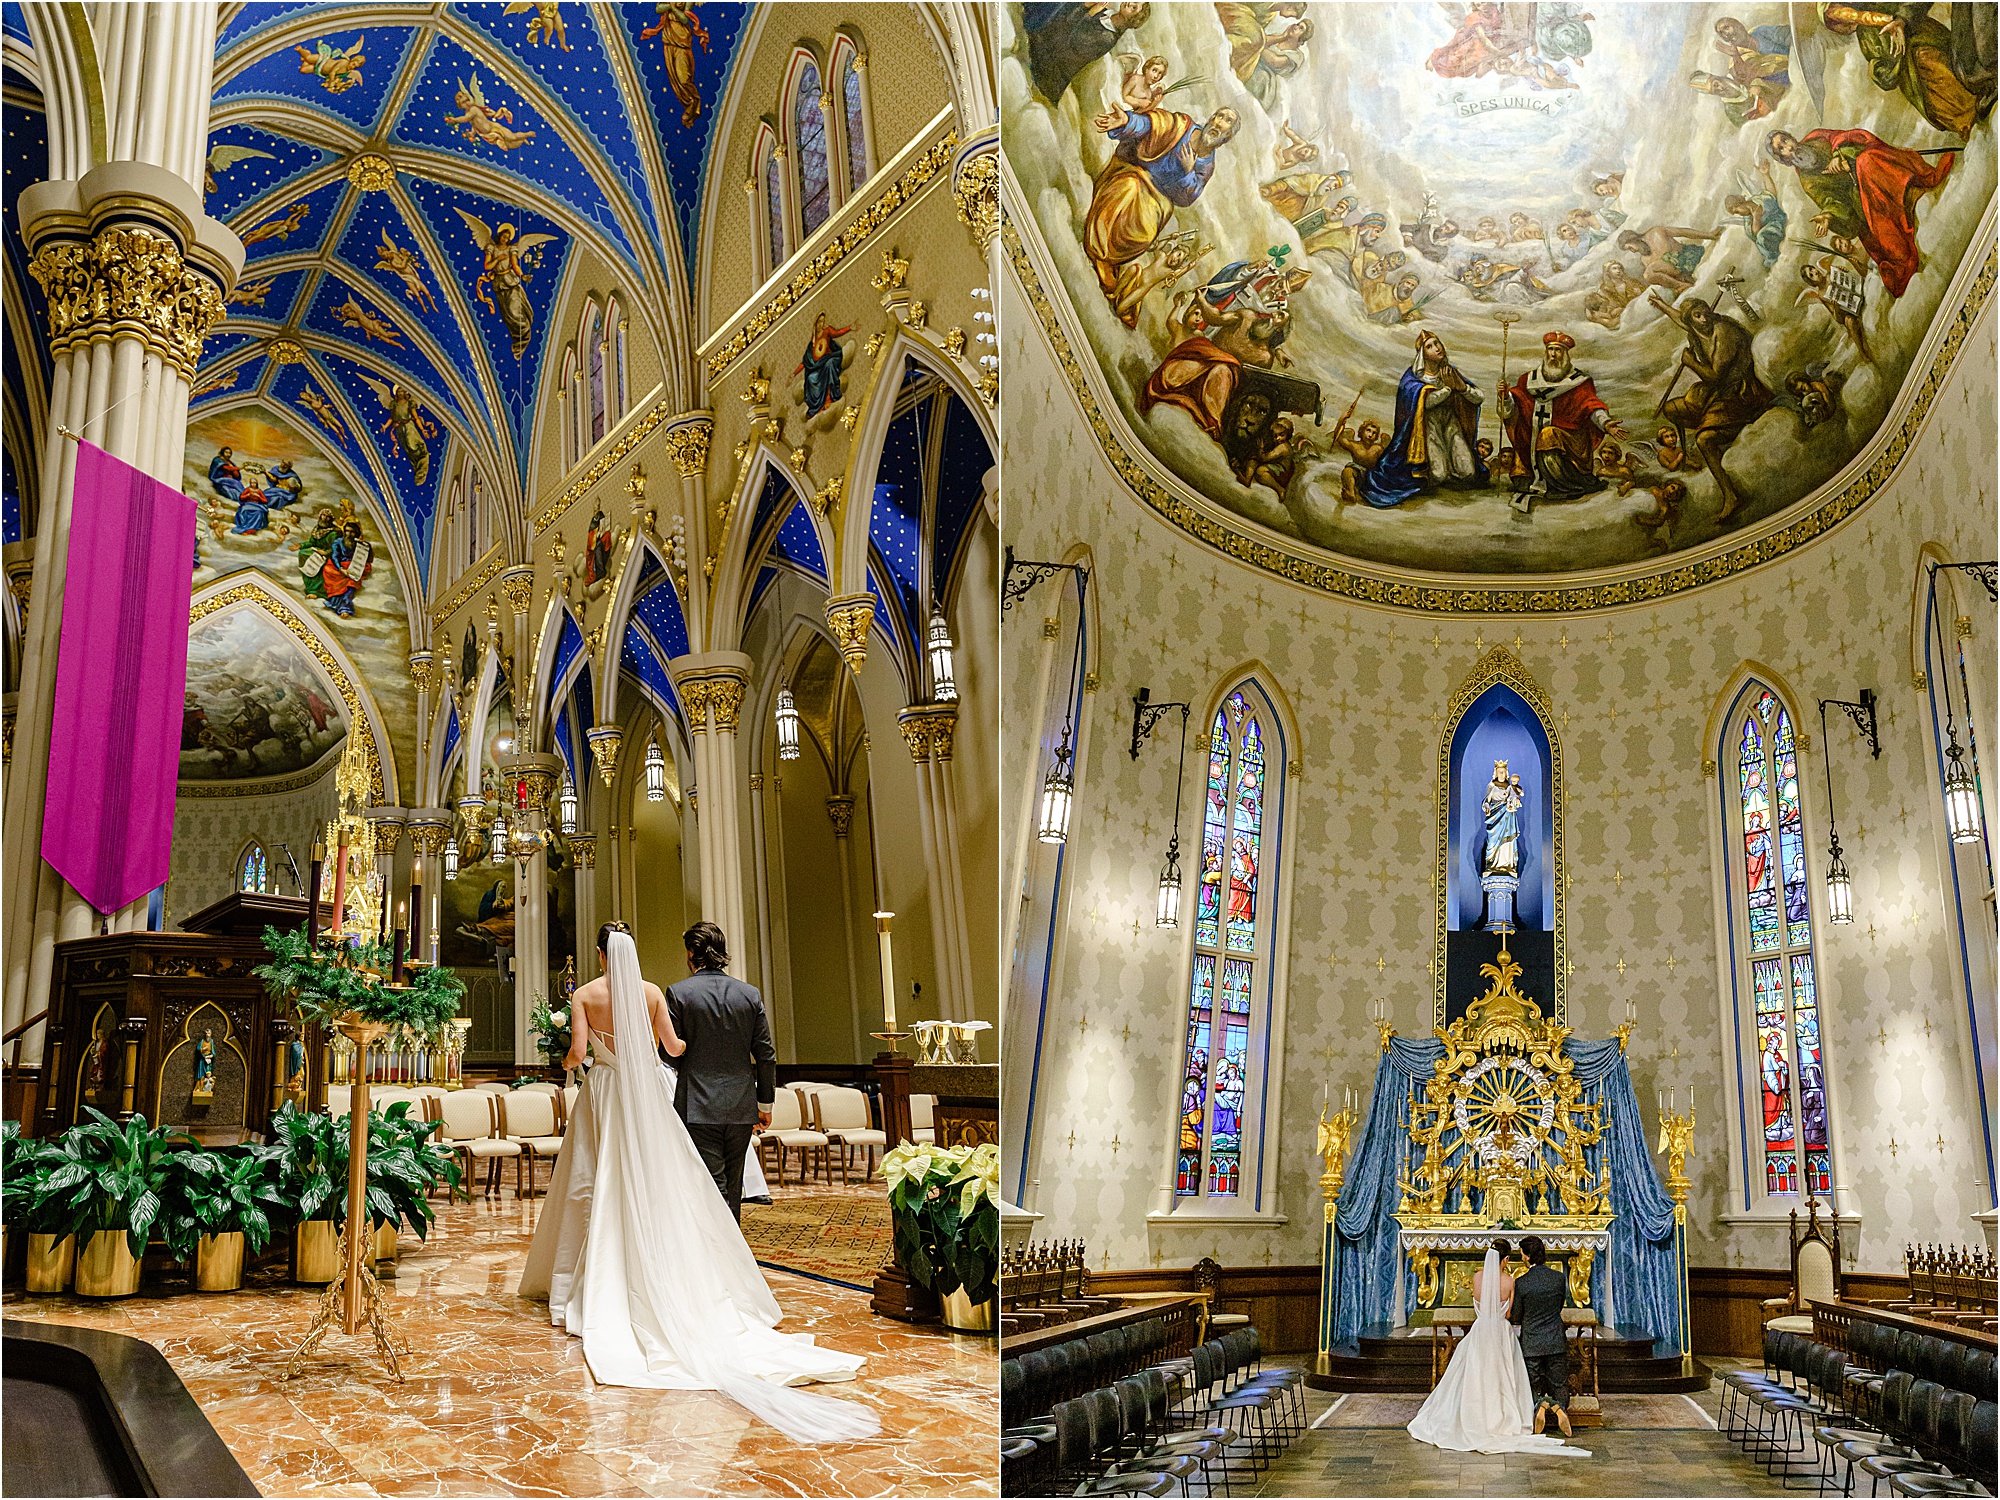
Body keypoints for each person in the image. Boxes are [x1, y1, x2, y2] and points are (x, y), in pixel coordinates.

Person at [518, 924, 875, 1440]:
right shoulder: (655, 993)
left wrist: (576, 1058)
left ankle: (587, 1272)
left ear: (600, 954)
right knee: (674, 1185)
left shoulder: (586, 995)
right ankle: (701, 1266)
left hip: (607, 1095)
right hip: (656, 1100)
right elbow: (677, 1047)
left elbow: (577, 1053)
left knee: (593, 1183)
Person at [1407, 1241, 1588, 1455]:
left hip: (1484, 1331)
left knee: (1482, 1376)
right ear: (1505, 1259)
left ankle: (1500, 1412)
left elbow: (1497, 1309)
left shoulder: (1480, 1279)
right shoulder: (1517, 1281)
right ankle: (1556, 1407)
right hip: (1519, 1334)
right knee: (1517, 1377)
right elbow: (1516, 1313)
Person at [667, 921, 779, 1221]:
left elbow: (670, 1053)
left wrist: (691, 1065)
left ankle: (719, 1256)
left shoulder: (679, 993)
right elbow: (766, 1055)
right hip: (742, 1105)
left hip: (698, 1104)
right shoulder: (749, 994)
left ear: (692, 952)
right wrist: (764, 1103)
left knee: (709, 1184)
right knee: (733, 1184)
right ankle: (733, 1252)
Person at [1509, 1237, 1577, 1439]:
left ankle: (1541, 1405)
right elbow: (1559, 1306)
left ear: (1527, 1256)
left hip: (1532, 1342)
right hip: (1555, 1338)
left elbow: (1517, 1316)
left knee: (1532, 1383)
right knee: (1559, 1383)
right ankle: (1559, 1409)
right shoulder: (1558, 1278)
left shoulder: (1522, 1283)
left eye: (1522, 1253)